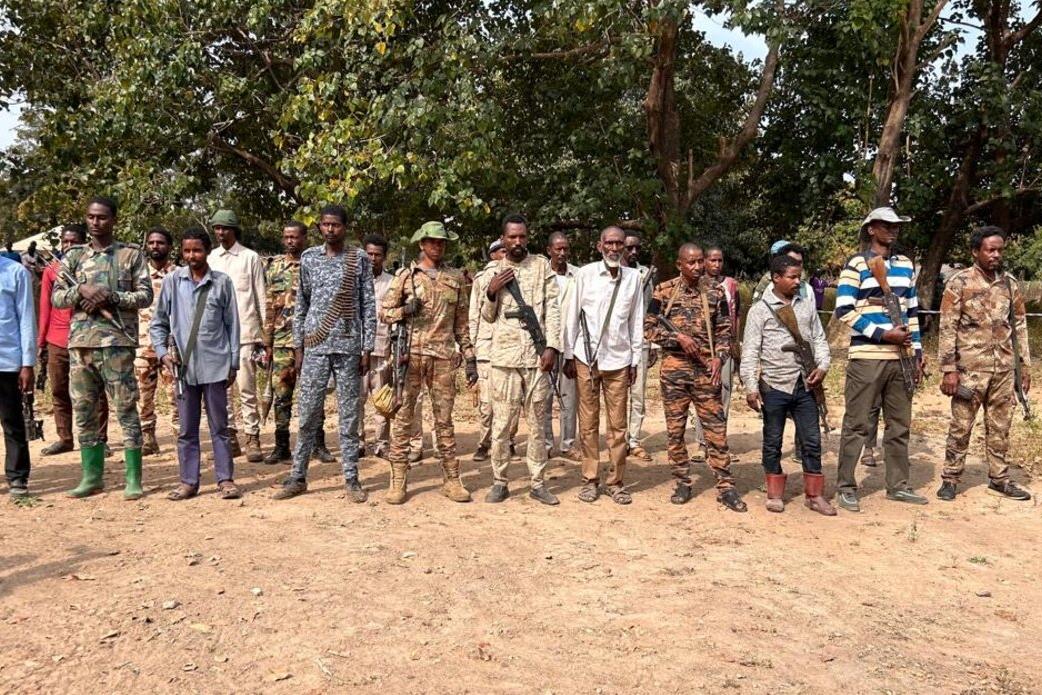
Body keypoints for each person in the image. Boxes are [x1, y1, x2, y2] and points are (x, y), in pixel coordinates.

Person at [274, 205, 376, 501]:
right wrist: (298, 347)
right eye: (325, 225)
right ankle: (298, 476)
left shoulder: (358, 260)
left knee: (348, 416)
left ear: (345, 227)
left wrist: (366, 347)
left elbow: (368, 305)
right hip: (315, 347)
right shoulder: (309, 259)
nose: (330, 229)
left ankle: (351, 479)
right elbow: (301, 305)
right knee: (307, 414)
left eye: (335, 225)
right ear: (319, 228)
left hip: (348, 347)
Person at [54, 197, 152, 500]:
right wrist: (80, 290)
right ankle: (91, 477)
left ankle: (133, 478)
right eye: (91, 217)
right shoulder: (72, 257)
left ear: (114, 220)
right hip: (81, 344)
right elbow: (57, 298)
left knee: (125, 407)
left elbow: (145, 296)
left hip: (117, 343)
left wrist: (111, 296)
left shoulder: (130, 255)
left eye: (102, 218)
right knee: (83, 409)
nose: (95, 223)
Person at [833, 206, 927, 511]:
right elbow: (844, 309)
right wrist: (882, 334)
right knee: (857, 424)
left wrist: (917, 351)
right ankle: (846, 486)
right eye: (886, 225)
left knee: (899, 425)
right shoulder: (856, 265)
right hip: (868, 356)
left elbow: (911, 312)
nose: (893, 230)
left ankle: (898, 485)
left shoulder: (906, 265)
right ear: (871, 229)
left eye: (896, 225)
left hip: (901, 357)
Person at [380, 221, 476, 504]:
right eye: (432, 241)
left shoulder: (455, 278)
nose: (438, 246)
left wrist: (470, 357)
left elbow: (462, 324)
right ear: (421, 244)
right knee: (403, 418)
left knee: (444, 420)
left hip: (444, 358)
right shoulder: (406, 277)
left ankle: (451, 478)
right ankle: (398, 479)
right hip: (410, 356)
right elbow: (385, 313)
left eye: (442, 241)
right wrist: (404, 310)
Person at [645, 243, 746, 512]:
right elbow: (649, 329)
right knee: (675, 432)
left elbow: (725, 332)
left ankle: (726, 486)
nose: (698, 266)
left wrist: (719, 357)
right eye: (691, 262)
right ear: (680, 264)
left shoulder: (714, 292)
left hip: (704, 372)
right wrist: (677, 338)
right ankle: (682, 481)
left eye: (701, 261)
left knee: (716, 431)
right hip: (674, 372)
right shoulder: (663, 290)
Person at [937, 226, 1032, 501]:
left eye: (1000, 249)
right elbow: (947, 328)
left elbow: (1020, 327)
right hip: (969, 371)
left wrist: (1024, 366)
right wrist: (949, 370)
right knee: (961, 426)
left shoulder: (1010, 285)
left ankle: (1000, 478)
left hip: (1003, 369)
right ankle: (951, 478)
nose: (996, 255)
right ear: (975, 251)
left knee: (1001, 426)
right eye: (990, 249)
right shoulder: (959, 283)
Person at [151, 227, 241, 500]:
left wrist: (233, 362)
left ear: (207, 251)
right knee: (187, 430)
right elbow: (159, 323)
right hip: (184, 369)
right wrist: (162, 353)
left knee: (220, 427)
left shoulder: (222, 282)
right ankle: (188, 481)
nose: (192, 255)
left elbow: (232, 324)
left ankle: (225, 480)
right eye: (187, 250)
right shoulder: (172, 282)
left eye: (197, 250)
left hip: (216, 365)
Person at [477, 213, 561, 505]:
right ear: (503, 239)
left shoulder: (541, 267)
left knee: (538, 423)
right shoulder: (492, 271)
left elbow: (553, 309)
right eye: (511, 237)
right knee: (501, 425)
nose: (517, 241)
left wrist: (552, 347)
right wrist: (492, 290)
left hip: (537, 359)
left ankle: (538, 482)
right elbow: (486, 316)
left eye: (522, 236)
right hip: (504, 360)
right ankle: (500, 480)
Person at [741, 255, 835, 515]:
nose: (797, 281)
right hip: (773, 385)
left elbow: (818, 338)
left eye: (799, 277)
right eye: (792, 277)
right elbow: (750, 351)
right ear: (776, 278)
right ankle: (774, 494)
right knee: (773, 440)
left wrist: (823, 367)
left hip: (805, 383)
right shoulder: (759, 310)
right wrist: (750, 386)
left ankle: (814, 495)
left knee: (812, 440)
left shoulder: (806, 305)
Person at [563, 226, 644, 504]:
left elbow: (636, 321)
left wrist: (635, 359)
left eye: (618, 243)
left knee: (618, 426)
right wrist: (568, 355)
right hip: (586, 360)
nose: (614, 248)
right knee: (587, 423)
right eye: (609, 243)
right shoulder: (584, 275)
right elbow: (572, 315)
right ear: (600, 246)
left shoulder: (634, 278)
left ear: (624, 246)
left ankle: (616, 481)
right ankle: (589, 479)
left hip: (619, 361)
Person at [261, 221, 333, 465]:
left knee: (314, 394)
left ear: (304, 238)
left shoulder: (316, 263)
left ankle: (318, 444)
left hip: (313, 341)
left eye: (295, 237)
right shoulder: (273, 267)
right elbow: (270, 307)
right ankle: (281, 445)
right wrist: (267, 343)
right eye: (286, 237)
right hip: (282, 341)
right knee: (281, 396)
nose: (290, 241)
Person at [37, 224, 111, 457]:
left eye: (73, 242)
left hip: (86, 337)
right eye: (65, 242)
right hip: (57, 339)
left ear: (83, 242)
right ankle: (65, 438)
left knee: (95, 391)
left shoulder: (93, 267)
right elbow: (45, 307)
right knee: (59, 389)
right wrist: (41, 342)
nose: (68, 246)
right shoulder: (52, 270)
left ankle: (100, 438)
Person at [207, 209, 266, 463]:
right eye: (217, 228)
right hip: (216, 335)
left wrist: (264, 336)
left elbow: (260, 295)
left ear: (235, 230)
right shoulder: (211, 258)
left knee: (246, 387)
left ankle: (253, 436)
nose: (221, 232)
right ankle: (230, 437)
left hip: (245, 333)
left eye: (225, 228)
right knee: (222, 390)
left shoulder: (250, 258)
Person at [135, 226, 179, 455]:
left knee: (177, 396)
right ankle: (148, 438)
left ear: (169, 247)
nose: (155, 246)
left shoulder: (180, 275)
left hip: (172, 347)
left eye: (160, 243)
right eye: (151, 242)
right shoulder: (138, 276)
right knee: (143, 397)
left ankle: (181, 438)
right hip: (143, 346)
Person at [469, 239, 509, 462]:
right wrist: (473, 349)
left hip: (510, 345)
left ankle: (506, 441)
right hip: (486, 347)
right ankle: (484, 443)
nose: (505, 254)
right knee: (486, 402)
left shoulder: (519, 273)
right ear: (493, 254)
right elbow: (474, 313)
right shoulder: (482, 278)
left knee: (509, 399)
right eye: (501, 251)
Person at [0, 248, 36, 497]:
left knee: (12, 421)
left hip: (7, 360)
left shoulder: (15, 272)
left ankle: (17, 477)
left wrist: (27, 363)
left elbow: (26, 319)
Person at [359, 233, 395, 458]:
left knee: (382, 401)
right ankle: (358, 443)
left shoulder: (392, 282)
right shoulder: (353, 281)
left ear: (384, 257)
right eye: (369, 254)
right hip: (356, 350)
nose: (373, 258)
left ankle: (381, 443)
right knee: (356, 399)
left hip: (382, 348)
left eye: (377, 255)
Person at [544, 232, 579, 460]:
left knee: (569, 397)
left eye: (565, 248)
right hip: (546, 345)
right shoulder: (540, 274)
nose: (562, 253)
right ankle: (546, 444)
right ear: (549, 250)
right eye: (558, 249)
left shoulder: (578, 275)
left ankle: (568, 444)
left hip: (570, 345)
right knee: (544, 396)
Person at [623, 232, 657, 462]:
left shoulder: (645, 274)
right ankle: (616, 440)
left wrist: (652, 342)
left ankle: (633, 439)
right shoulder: (608, 273)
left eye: (637, 248)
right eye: (629, 248)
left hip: (641, 341)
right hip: (613, 343)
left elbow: (651, 311)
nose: (633, 252)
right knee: (614, 395)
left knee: (638, 394)